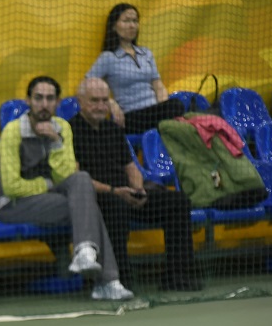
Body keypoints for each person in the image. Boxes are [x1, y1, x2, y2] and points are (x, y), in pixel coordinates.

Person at [0, 75, 133, 301]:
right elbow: (11, 187)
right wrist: (48, 185)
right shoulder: (13, 131)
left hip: (52, 202)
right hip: (14, 205)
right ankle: (107, 280)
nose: (44, 104)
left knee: (81, 179)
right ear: (28, 101)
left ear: (58, 102)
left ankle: (86, 253)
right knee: (87, 205)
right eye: (38, 98)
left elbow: (67, 176)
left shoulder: (63, 128)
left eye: (50, 98)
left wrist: (56, 142)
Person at [70, 78, 201, 291]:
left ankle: (178, 277)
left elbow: (131, 167)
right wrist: (115, 191)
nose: (100, 106)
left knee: (178, 202)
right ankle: (117, 279)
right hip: (99, 198)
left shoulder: (113, 129)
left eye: (104, 100)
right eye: (94, 101)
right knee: (116, 206)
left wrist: (138, 190)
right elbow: (76, 179)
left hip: (126, 193)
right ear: (81, 101)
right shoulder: (70, 131)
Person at [86, 3, 184, 135]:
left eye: (135, 21)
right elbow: (87, 83)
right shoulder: (108, 57)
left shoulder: (146, 53)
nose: (132, 25)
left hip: (156, 112)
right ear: (114, 26)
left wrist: (163, 107)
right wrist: (110, 103)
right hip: (131, 117)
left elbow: (158, 85)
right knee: (176, 107)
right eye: (126, 21)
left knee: (176, 105)